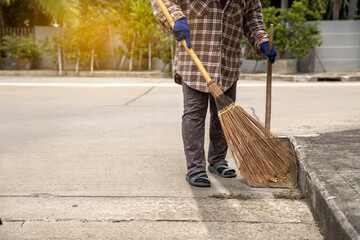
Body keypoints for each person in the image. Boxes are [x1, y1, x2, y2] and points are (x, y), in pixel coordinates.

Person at [151, 0, 277, 187]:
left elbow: (252, 18)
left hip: (227, 62)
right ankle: (195, 167)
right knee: (194, 114)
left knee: (224, 116)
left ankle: (218, 160)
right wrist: (177, 18)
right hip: (195, 59)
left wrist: (262, 40)